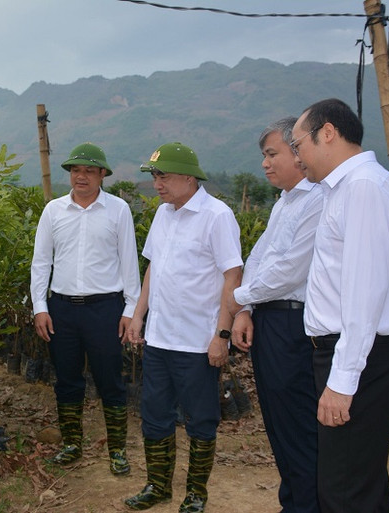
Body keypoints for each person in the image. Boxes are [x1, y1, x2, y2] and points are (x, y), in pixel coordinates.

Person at [292, 98, 389, 513]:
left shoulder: (363, 188)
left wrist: (342, 382)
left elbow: (364, 295)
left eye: (297, 144)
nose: (297, 156)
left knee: (344, 489)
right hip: (355, 351)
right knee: (360, 481)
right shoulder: (349, 188)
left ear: (327, 133)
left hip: (360, 354)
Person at [124, 142, 242, 513]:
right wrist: (138, 315)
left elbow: (232, 276)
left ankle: (196, 493)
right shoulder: (164, 214)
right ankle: (158, 485)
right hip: (160, 338)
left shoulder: (216, 216)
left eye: (164, 176)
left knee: (201, 418)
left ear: (189, 178)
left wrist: (222, 334)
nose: (157, 184)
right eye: (155, 176)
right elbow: (153, 269)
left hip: (197, 341)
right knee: (155, 414)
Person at [229, 118, 323, 513]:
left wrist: (236, 299)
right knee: (278, 422)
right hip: (270, 318)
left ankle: (309, 504)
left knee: (297, 423)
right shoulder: (285, 203)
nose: (265, 164)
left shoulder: (317, 200)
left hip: (292, 322)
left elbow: (289, 271)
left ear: (299, 153)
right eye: (263, 156)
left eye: (272, 154)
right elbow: (258, 259)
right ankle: (294, 502)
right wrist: (246, 308)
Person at [30, 142, 141, 475]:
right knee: (66, 379)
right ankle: (71, 445)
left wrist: (130, 309)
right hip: (61, 309)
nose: (81, 177)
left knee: (110, 379)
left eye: (89, 171)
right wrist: (39, 306)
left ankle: (118, 450)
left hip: (105, 308)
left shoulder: (118, 210)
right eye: (76, 170)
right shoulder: (53, 211)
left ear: (102, 174)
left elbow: (129, 261)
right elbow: (41, 262)